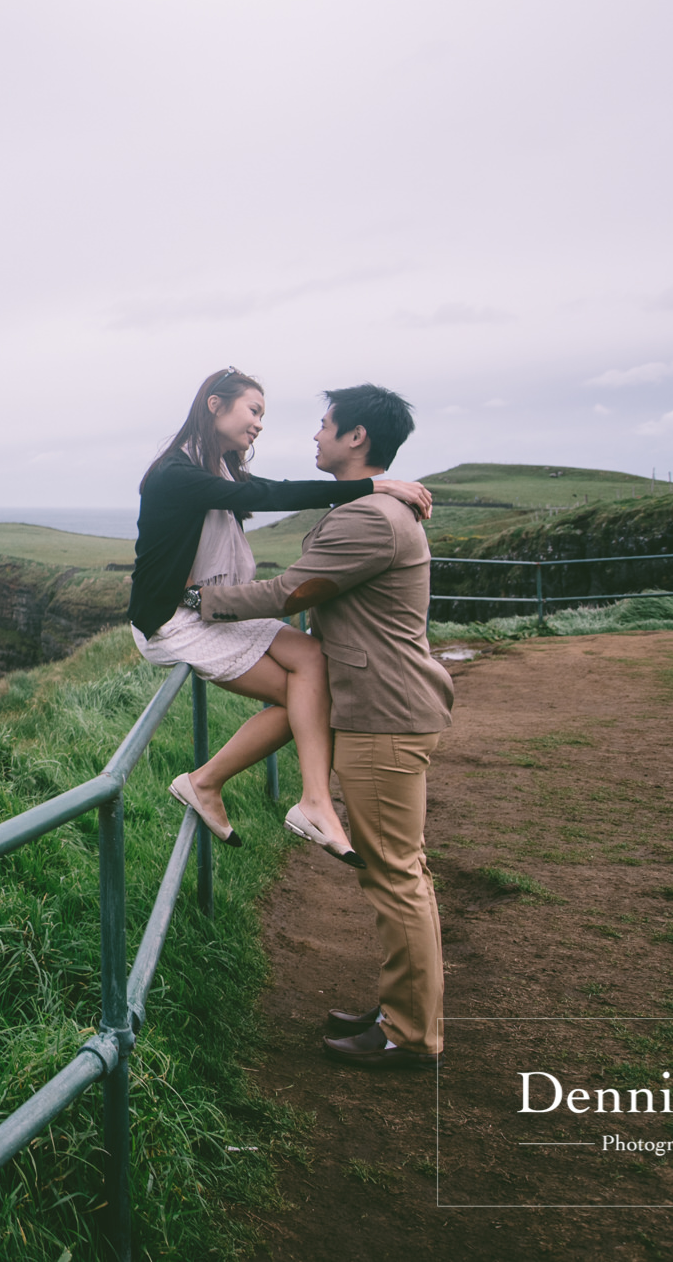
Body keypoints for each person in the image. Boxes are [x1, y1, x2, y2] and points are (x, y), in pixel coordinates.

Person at [199, 383, 454, 1071]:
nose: (313, 436)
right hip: (384, 708)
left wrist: (206, 601)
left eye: (323, 426)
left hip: (384, 714)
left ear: (356, 439)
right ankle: (406, 1009)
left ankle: (410, 1033)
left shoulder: (370, 519)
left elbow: (295, 590)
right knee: (400, 868)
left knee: (395, 872)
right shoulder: (374, 507)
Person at [133, 368, 433, 865]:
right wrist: (372, 486)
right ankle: (211, 783)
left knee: (315, 662)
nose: (259, 425)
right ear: (214, 405)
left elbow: (258, 489)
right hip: (175, 619)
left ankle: (309, 801)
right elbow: (266, 496)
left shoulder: (219, 468)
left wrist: (371, 489)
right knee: (303, 693)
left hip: (211, 607)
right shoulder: (177, 473)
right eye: (253, 411)